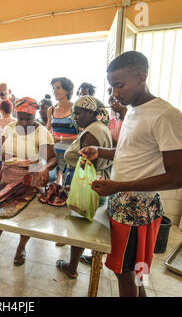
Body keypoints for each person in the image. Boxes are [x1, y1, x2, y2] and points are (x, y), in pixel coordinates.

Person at [80, 51, 182, 297]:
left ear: (142, 77)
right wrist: (101, 151)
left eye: (120, 85)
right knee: (130, 270)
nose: (115, 93)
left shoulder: (166, 115)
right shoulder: (133, 111)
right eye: (112, 87)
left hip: (137, 209)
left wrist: (117, 186)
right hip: (122, 205)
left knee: (127, 273)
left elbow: (179, 177)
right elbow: (129, 152)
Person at [0, 97, 58, 266]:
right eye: (20, 118)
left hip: (31, 178)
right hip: (8, 175)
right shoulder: (10, 128)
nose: (23, 122)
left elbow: (52, 159)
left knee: (26, 215)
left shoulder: (41, 132)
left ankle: (21, 248)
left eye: (27, 119)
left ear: (34, 116)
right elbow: (0, 147)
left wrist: (44, 168)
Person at [55, 95, 112, 272]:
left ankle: (72, 267)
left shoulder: (91, 133)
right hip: (101, 179)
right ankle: (94, 260)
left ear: (90, 112)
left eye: (79, 113)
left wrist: (77, 187)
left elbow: (88, 169)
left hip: (89, 183)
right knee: (93, 225)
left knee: (79, 227)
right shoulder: (99, 127)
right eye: (75, 113)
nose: (76, 117)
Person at [46, 77, 78, 185]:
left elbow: (82, 135)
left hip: (69, 154)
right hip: (53, 154)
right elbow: (48, 129)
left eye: (58, 88)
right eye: (54, 88)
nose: (55, 91)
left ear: (67, 90)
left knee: (66, 186)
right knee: (52, 185)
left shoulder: (75, 109)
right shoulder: (51, 109)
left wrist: (61, 138)